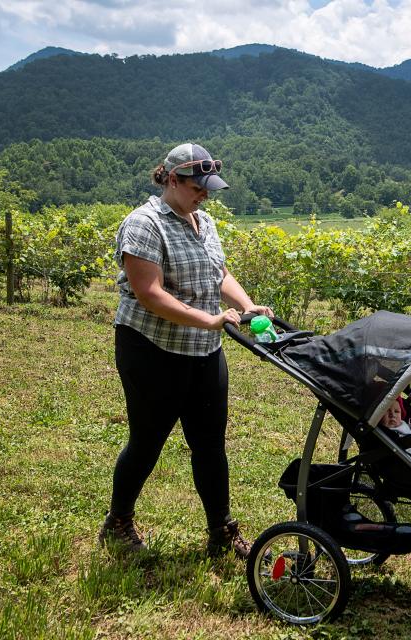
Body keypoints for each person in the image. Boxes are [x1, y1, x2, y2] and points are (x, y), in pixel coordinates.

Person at [98, 142, 272, 558]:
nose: (205, 195)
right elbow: (150, 294)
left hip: (204, 349)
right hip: (152, 349)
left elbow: (219, 274)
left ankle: (221, 530)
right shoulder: (144, 225)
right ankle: (118, 522)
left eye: (209, 188)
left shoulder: (204, 221)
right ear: (172, 180)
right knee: (147, 440)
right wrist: (210, 319)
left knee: (210, 443)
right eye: (198, 186)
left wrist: (244, 305)